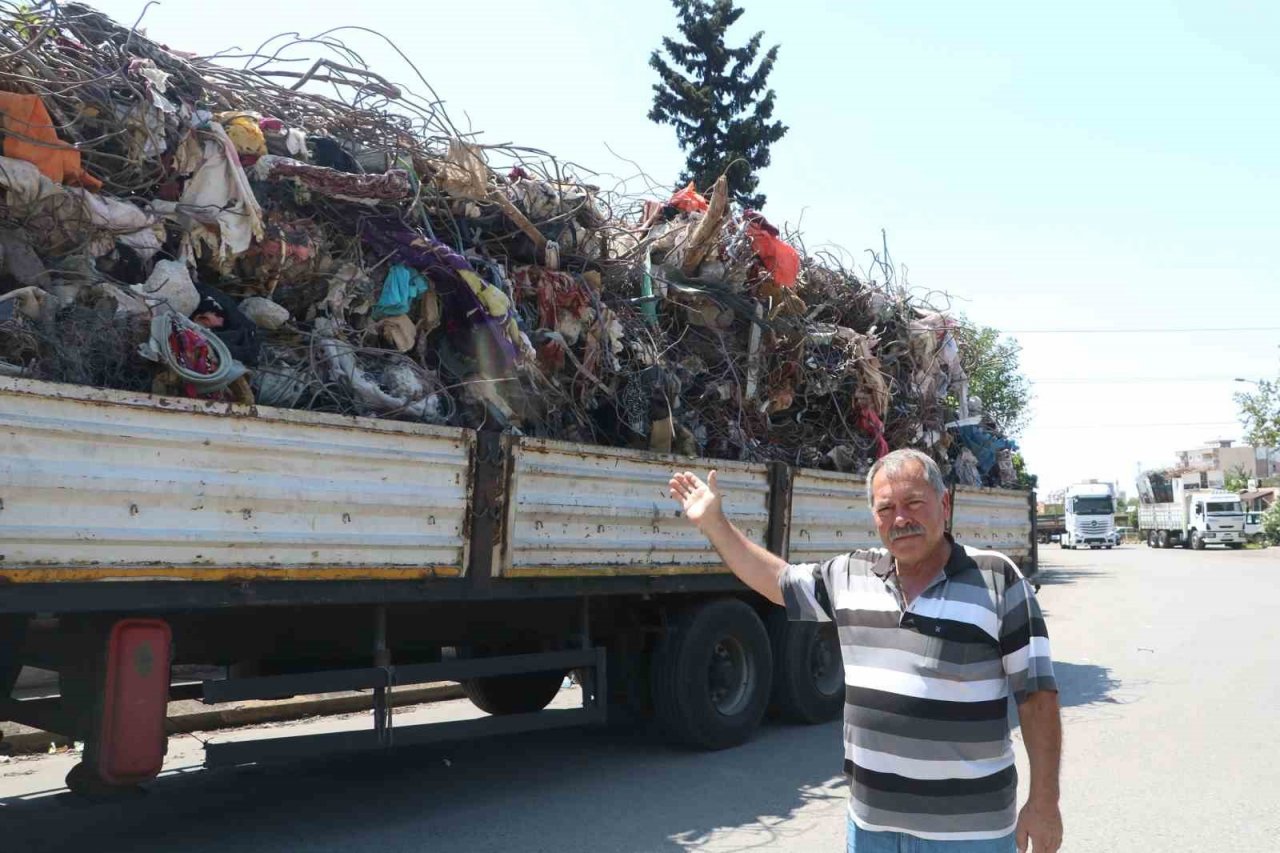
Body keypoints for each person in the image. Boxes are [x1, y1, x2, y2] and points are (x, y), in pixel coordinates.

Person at [668, 449, 1062, 853]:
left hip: (970, 834)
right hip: (872, 828)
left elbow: (1037, 697)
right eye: (886, 508)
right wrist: (716, 524)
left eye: (913, 503)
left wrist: (1044, 802)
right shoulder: (850, 576)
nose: (900, 519)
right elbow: (776, 580)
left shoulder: (997, 580)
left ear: (944, 505)